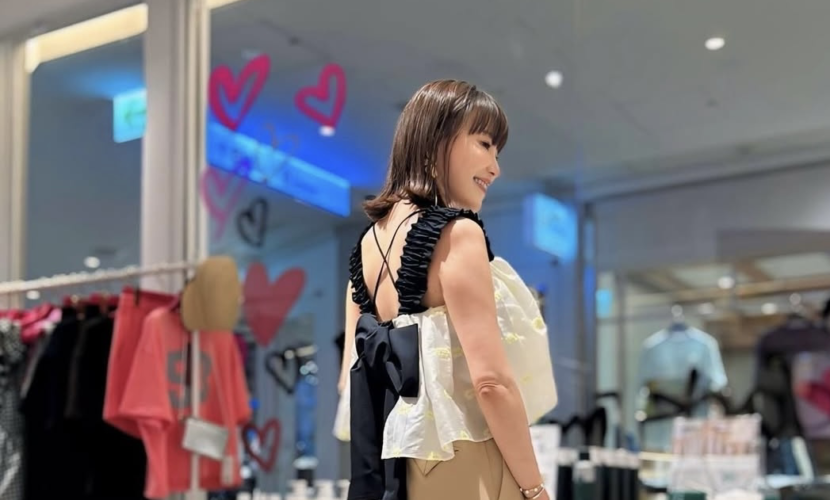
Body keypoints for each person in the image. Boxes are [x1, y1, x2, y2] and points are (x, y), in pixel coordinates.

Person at [333, 79, 557, 500]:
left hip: (399, 465)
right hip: (468, 456)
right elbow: (491, 382)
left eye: (497, 152)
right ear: (437, 139)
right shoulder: (457, 235)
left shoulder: (366, 247)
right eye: (484, 144)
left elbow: (349, 379)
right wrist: (534, 488)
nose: (495, 167)